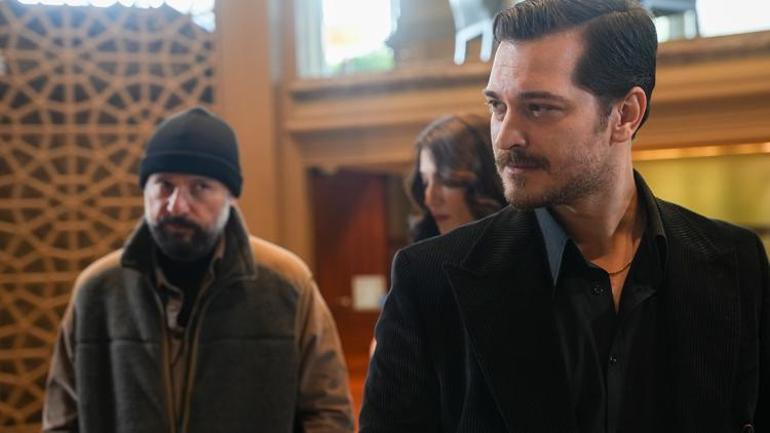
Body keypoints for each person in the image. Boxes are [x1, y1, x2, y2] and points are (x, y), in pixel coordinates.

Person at [360, 1, 769, 432]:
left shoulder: (736, 262)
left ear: (625, 114)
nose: (506, 136)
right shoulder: (429, 279)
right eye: (497, 106)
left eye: (539, 108)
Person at [43, 107, 355, 433]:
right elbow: (62, 419)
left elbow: (328, 413)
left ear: (230, 196)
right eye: (164, 185)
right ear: (145, 190)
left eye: (200, 187)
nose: (177, 205)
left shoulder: (286, 284)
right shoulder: (97, 290)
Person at [407, 113, 506, 241]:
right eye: (425, 182)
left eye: (445, 180)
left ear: (484, 181)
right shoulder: (425, 249)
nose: (430, 199)